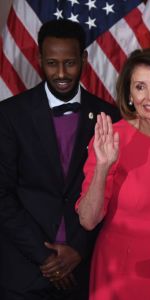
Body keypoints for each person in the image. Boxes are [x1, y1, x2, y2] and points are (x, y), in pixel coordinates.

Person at [0, 19, 119, 299]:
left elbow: (111, 195)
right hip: (24, 273)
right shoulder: (9, 115)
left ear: (84, 59)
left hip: (84, 270)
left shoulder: (109, 117)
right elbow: (2, 195)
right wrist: (45, 257)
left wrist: (78, 249)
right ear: (40, 59)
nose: (62, 72)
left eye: (70, 62)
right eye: (52, 63)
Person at [76, 48, 150, 299]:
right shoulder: (111, 138)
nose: (149, 97)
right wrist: (103, 166)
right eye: (140, 87)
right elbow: (87, 220)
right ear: (129, 94)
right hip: (119, 274)